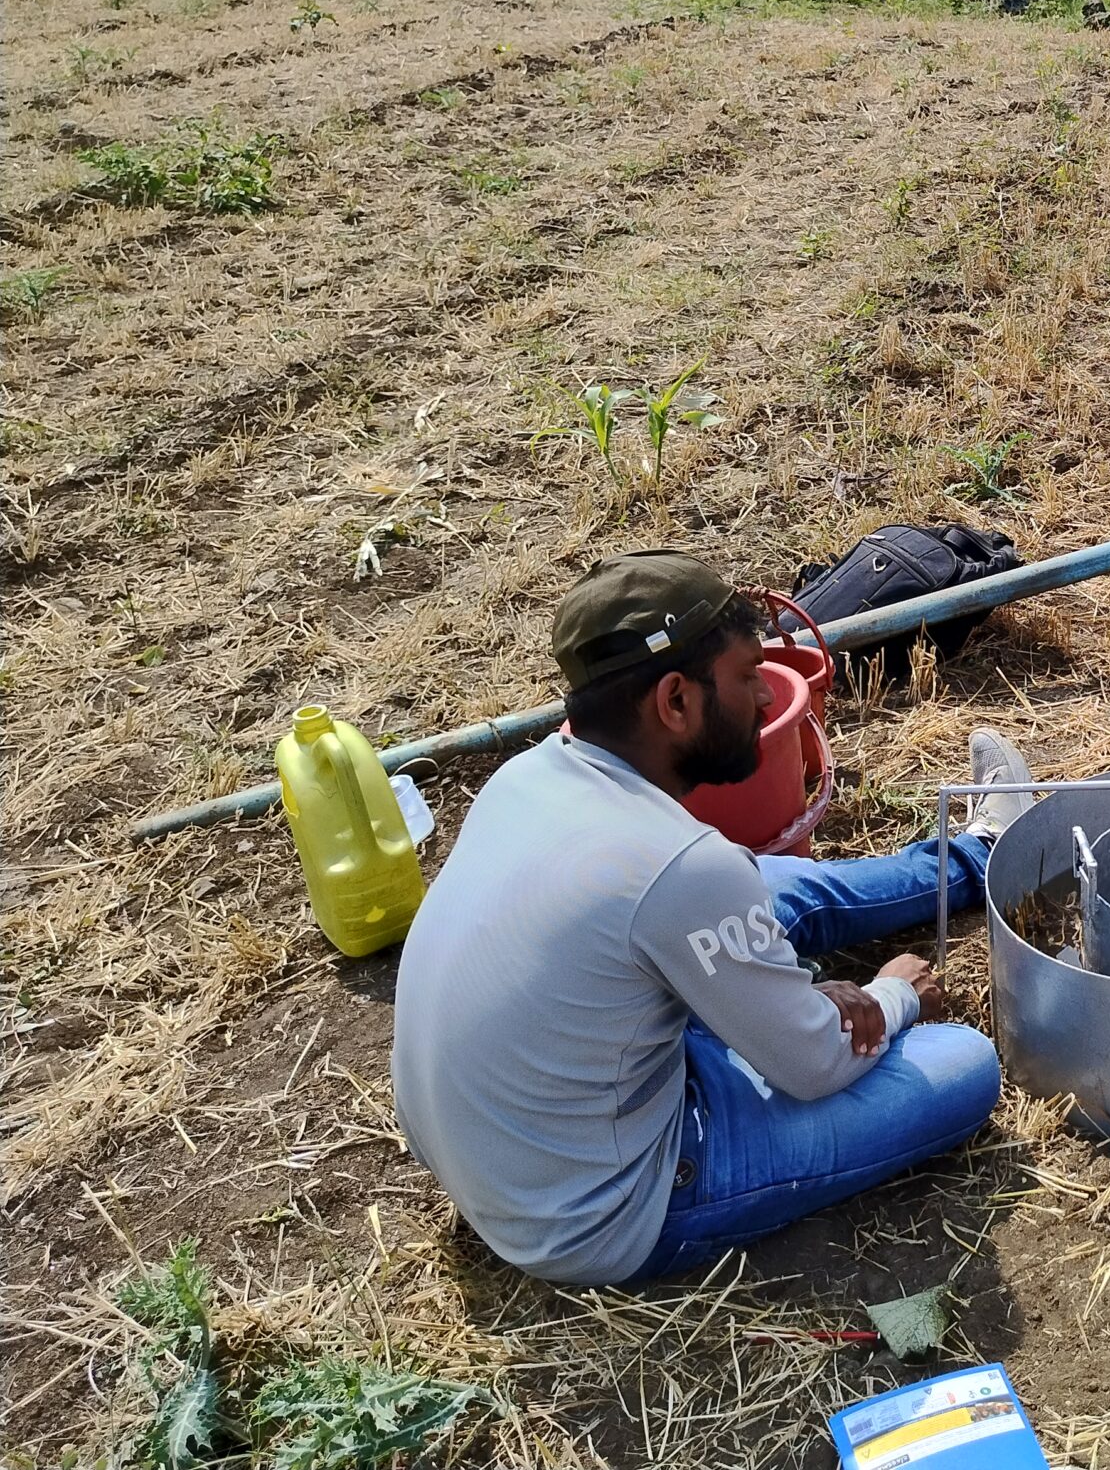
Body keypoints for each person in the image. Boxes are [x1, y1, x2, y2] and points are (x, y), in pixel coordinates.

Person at [392, 550, 1034, 1286]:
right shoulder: (680, 868)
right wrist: (897, 996)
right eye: (745, 676)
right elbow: (818, 1065)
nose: (765, 698)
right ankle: (971, 867)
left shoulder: (526, 777)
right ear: (675, 701)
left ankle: (976, 856)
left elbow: (671, 915)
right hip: (599, 1209)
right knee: (961, 1067)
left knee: (769, 883)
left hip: (512, 1146)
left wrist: (786, 1003)